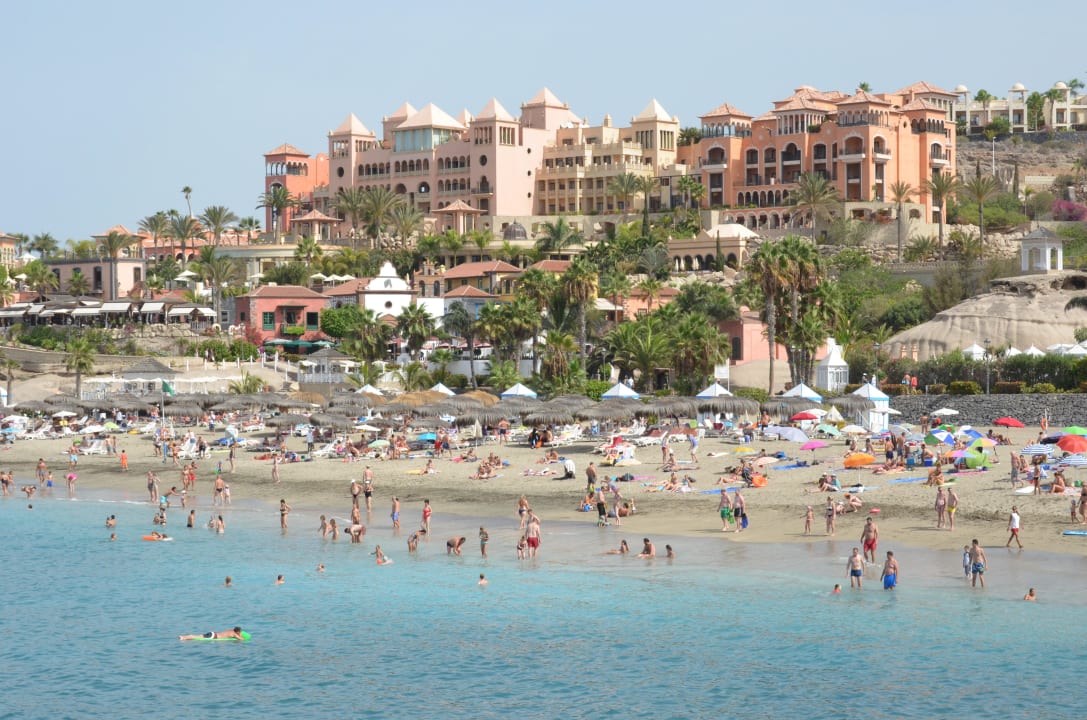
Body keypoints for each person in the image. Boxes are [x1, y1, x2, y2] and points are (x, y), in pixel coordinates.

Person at [179, 626, 244, 641]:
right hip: (213, 636)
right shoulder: (234, 634)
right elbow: (241, 639)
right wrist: (240, 635)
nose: (240, 632)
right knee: (196, 637)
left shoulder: (230, 630)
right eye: (240, 631)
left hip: (213, 633)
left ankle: (183, 637)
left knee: (197, 636)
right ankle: (183, 638)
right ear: (238, 631)